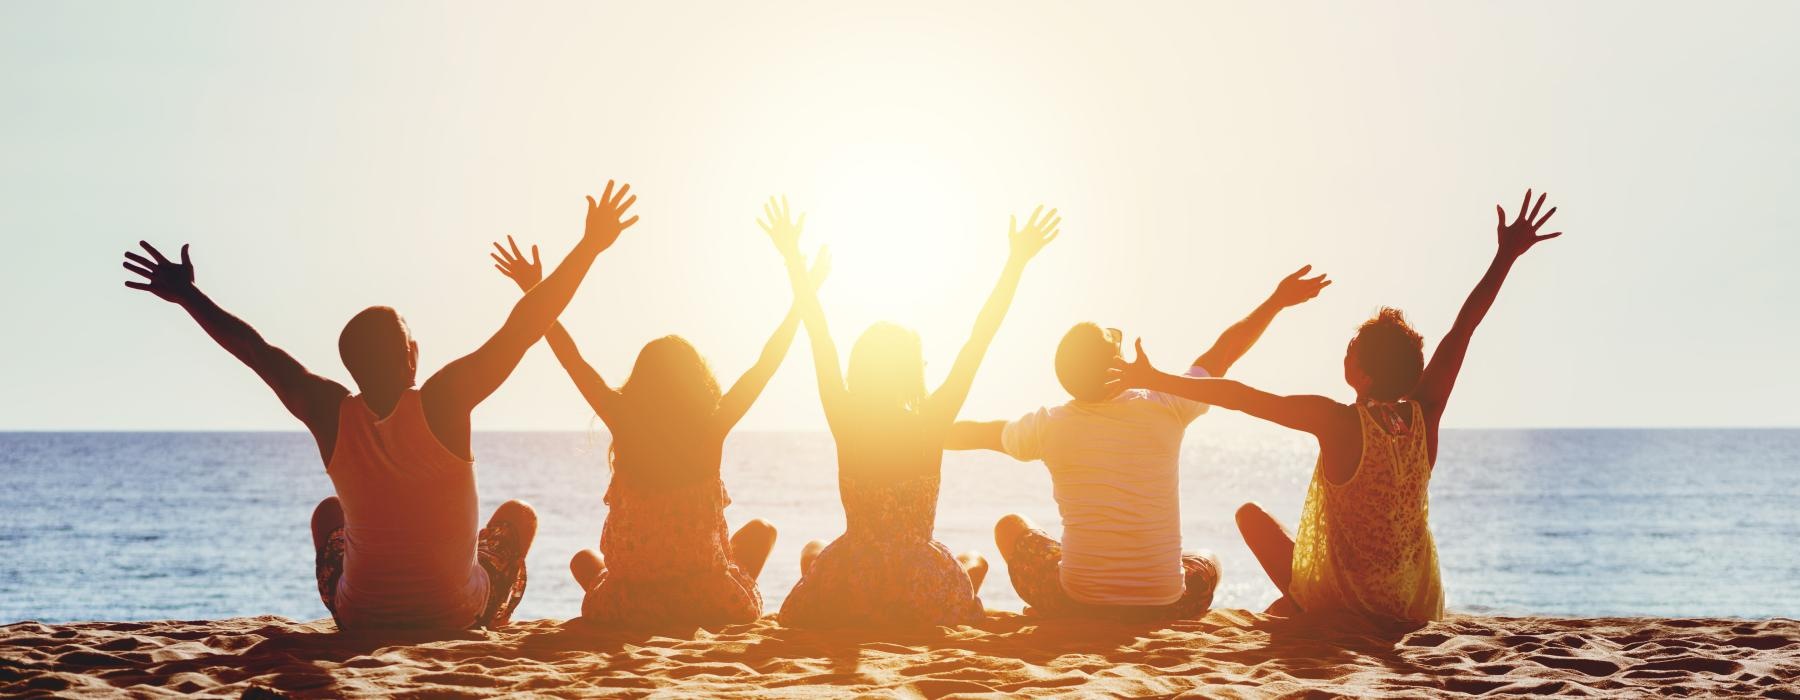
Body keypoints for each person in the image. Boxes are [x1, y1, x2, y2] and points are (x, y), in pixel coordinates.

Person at [121, 181, 641, 630]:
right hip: (457, 613)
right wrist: (589, 246)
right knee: (517, 517)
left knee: (328, 515)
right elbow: (524, 326)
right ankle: (493, 616)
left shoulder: (328, 410)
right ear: (411, 355)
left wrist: (188, 296)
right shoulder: (444, 401)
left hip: (359, 615)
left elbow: (255, 351)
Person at [1117, 190, 1564, 626]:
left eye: (1351, 351)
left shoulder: (1338, 422)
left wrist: (1154, 379)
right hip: (1412, 603)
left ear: (1362, 375)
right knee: (1285, 593)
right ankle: (1291, 608)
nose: (1344, 355)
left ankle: (1296, 608)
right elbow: (1463, 328)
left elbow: (1240, 397)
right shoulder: (1425, 412)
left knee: (1250, 517)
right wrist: (1505, 257)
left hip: (1344, 603)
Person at [945, 266, 1332, 620]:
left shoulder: (1047, 425)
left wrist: (921, 429)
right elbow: (1225, 352)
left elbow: (977, 433)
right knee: (1208, 559)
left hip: (1076, 601)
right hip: (1168, 604)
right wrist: (1275, 302)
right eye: (1115, 341)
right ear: (1115, 362)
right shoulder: (1168, 403)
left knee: (1011, 527)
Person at [487, 231, 826, 629]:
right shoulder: (712, 425)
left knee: (584, 561)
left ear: (640, 382)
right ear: (698, 382)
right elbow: (765, 366)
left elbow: (571, 358)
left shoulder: (622, 418)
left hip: (628, 604)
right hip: (708, 602)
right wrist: (802, 293)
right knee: (761, 533)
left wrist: (536, 290)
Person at [767, 196, 1059, 628]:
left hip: (854, 577)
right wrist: (1015, 263)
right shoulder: (930, 420)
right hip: (918, 581)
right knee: (973, 561)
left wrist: (794, 259)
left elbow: (819, 336)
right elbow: (978, 340)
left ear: (859, 367)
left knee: (814, 550)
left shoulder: (845, 417)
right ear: (911, 370)